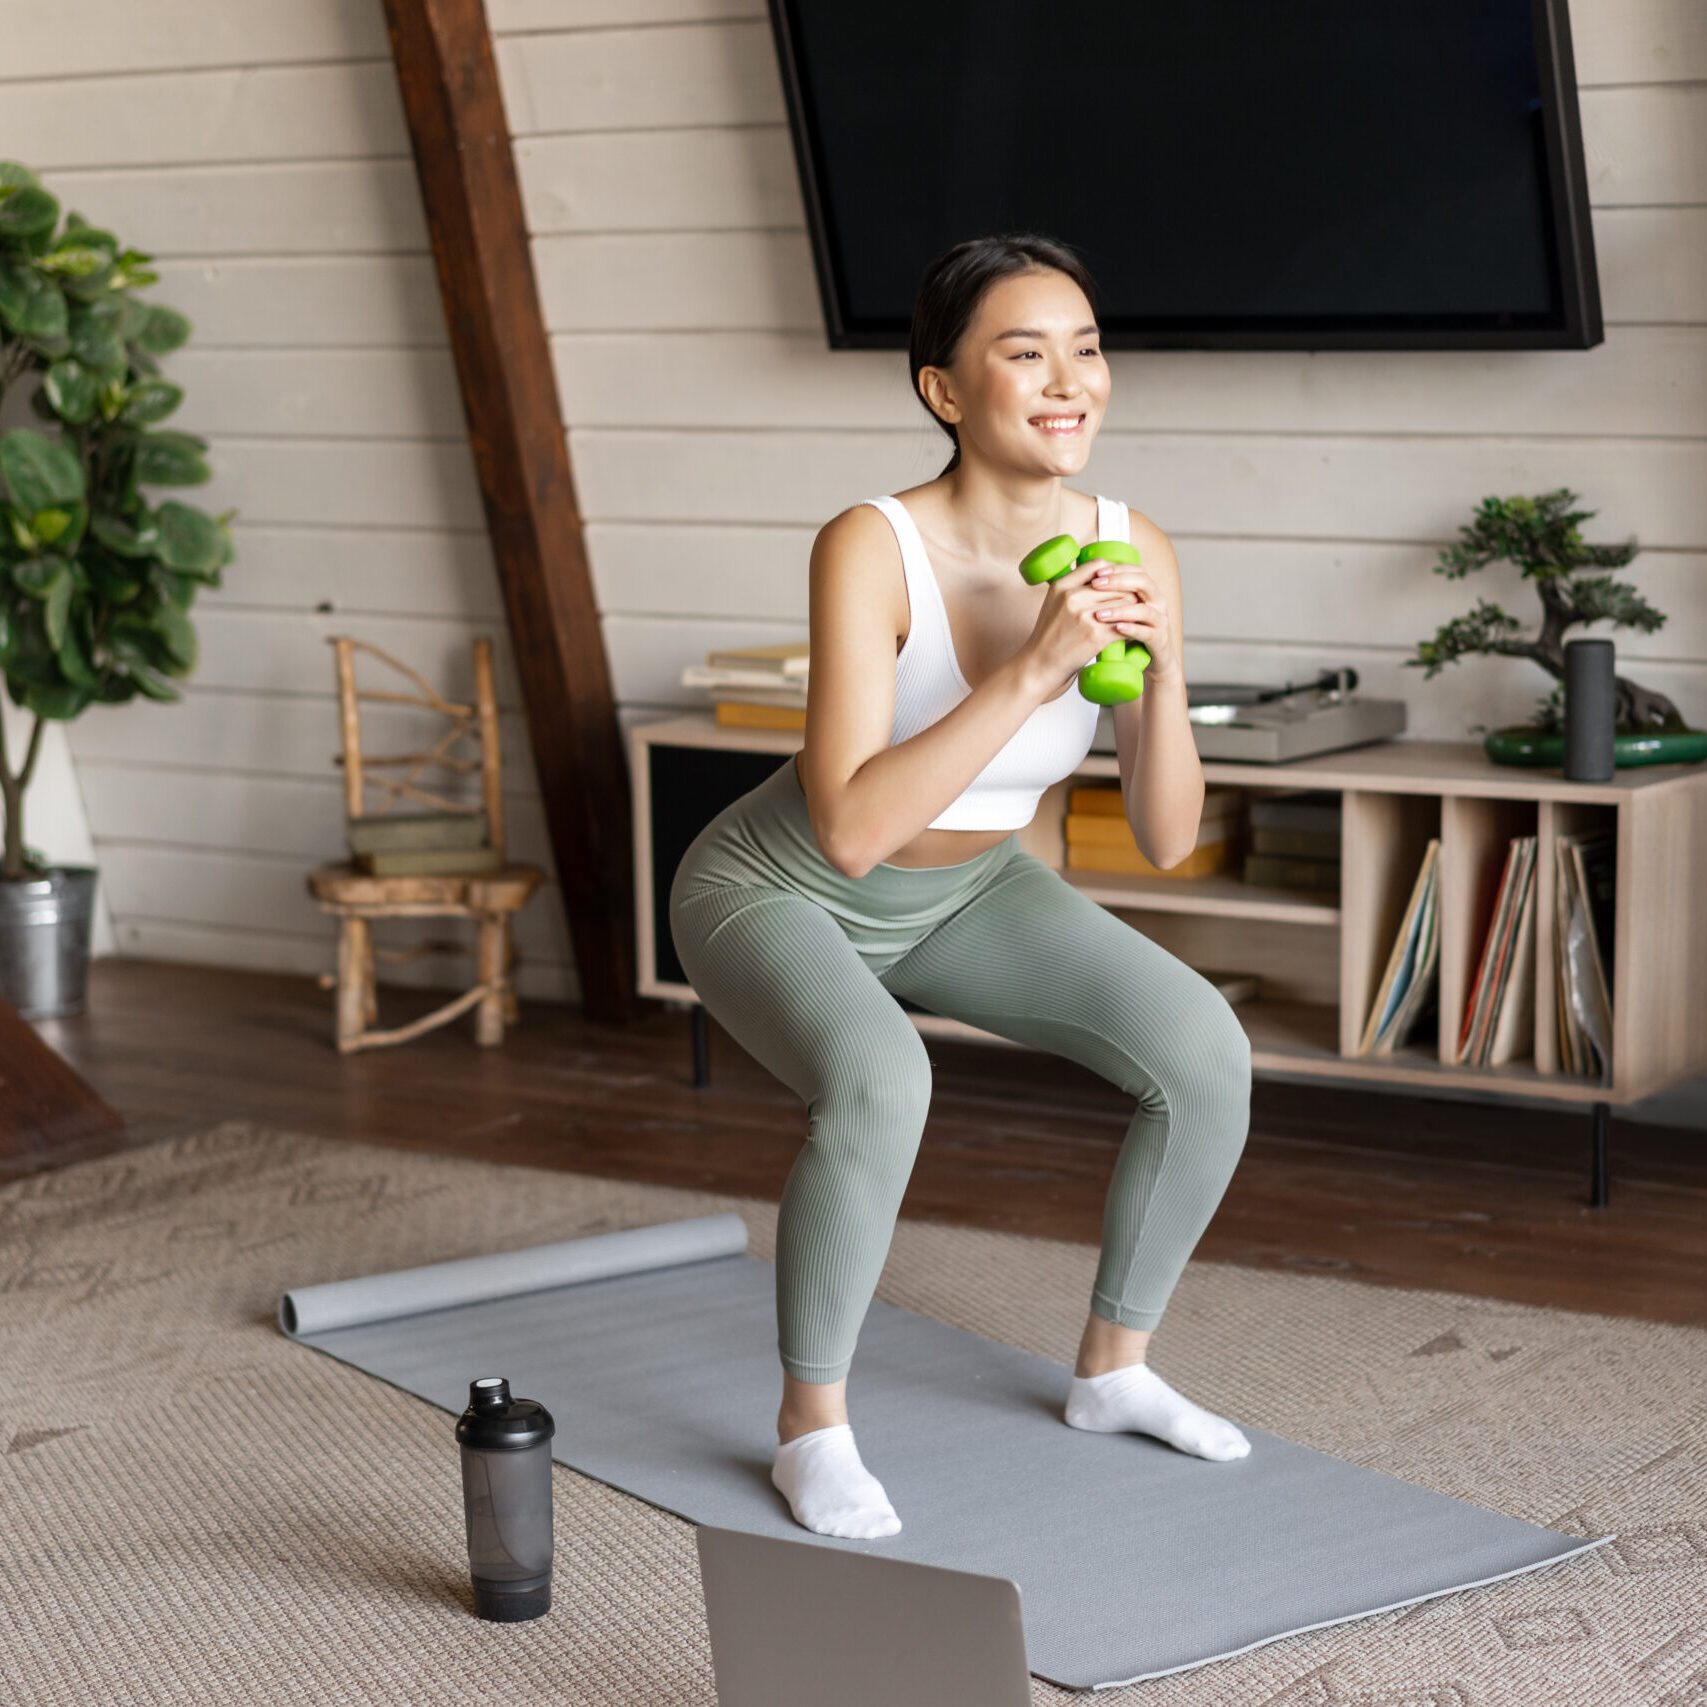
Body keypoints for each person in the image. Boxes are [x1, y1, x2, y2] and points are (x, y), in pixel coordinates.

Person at [669, 233, 1252, 1541]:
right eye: (1025, 352)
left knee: (1205, 1051)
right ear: (944, 389)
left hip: (971, 893)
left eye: (1086, 350)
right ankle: (810, 1432)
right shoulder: (871, 546)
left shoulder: (1132, 545)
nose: (1070, 381)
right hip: (776, 888)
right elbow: (852, 828)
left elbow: (1165, 837)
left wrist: (1162, 671)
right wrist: (1033, 670)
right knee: (885, 1081)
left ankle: (1115, 1371)